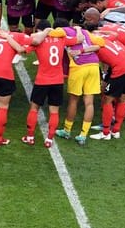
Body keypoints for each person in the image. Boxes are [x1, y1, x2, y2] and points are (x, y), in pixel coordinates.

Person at [21, 19, 82, 148]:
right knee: (54, 111)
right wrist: (77, 29)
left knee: (34, 108)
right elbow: (79, 40)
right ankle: (49, 139)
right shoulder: (61, 39)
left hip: (42, 80)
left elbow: (23, 49)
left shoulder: (39, 41)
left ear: (39, 30)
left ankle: (30, 137)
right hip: (58, 81)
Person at [54, 18, 103, 146]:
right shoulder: (85, 32)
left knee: (73, 100)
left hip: (78, 67)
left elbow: (50, 34)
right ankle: (83, 135)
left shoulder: (61, 31)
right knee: (89, 101)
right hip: (93, 65)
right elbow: (101, 43)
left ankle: (67, 130)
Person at [89, 34, 125, 140]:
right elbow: (114, 36)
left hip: (120, 70)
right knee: (122, 99)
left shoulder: (94, 46)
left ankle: (105, 133)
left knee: (107, 100)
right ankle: (116, 130)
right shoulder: (105, 39)